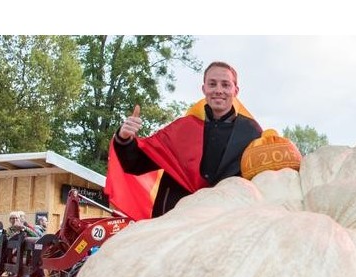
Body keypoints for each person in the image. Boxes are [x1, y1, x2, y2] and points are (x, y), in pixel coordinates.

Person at [107, 61, 263, 219]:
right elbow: (136, 164)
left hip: (225, 222)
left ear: (235, 90)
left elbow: (263, 181)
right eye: (212, 84)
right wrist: (124, 138)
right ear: (204, 89)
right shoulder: (181, 129)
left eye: (225, 85)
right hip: (174, 218)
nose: (218, 90)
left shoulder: (251, 133)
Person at [4, 211, 39, 277]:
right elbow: (10, 240)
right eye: (12, 218)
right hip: (12, 260)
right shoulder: (8, 231)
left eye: (16, 218)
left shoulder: (25, 229)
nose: (15, 220)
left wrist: (24, 228)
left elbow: (36, 236)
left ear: (20, 219)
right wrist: (18, 233)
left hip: (24, 259)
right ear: (10, 220)